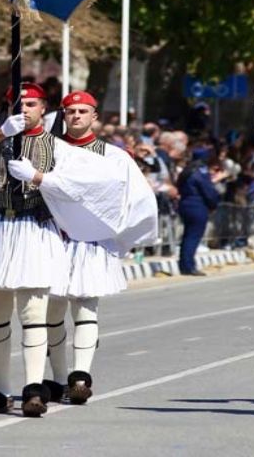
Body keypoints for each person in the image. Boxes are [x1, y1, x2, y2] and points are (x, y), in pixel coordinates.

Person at [0, 83, 153, 418]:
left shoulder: (57, 146)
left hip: (35, 228)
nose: (24, 110)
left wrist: (37, 177)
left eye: (31, 104)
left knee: (36, 315)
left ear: (43, 108)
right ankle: (0, 389)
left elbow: (84, 185)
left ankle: (34, 387)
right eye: (17, 104)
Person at [43, 90, 156, 405]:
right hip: (55, 238)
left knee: (85, 307)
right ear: (63, 116)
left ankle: (80, 377)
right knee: (51, 310)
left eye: (82, 111)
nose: (76, 116)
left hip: (91, 241)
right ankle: (57, 377)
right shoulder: (49, 151)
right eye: (70, 111)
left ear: (94, 116)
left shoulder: (114, 155)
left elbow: (135, 198)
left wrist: (121, 237)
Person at [176, 147, 221, 275]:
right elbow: (208, 191)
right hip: (197, 205)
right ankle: (189, 266)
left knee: (187, 236)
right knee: (193, 236)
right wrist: (214, 203)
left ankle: (184, 265)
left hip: (185, 204)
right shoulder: (201, 171)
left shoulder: (187, 170)